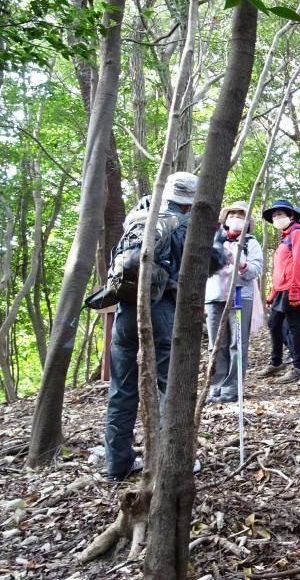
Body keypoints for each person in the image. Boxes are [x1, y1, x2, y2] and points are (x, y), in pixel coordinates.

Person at [105, 172, 195, 481]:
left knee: (122, 388)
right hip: (161, 310)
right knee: (170, 386)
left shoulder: (138, 216)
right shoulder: (181, 224)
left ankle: (116, 463)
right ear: (188, 203)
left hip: (126, 309)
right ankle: (171, 461)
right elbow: (197, 268)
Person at [203, 201, 263, 404]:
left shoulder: (251, 243)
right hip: (214, 297)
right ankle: (216, 384)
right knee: (215, 344)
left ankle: (232, 386)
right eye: (232, 214)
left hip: (239, 295)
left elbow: (255, 270)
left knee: (237, 343)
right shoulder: (213, 240)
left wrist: (239, 262)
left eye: (241, 215)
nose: (236, 217)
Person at [256, 199, 300, 384]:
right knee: (274, 324)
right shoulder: (285, 237)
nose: (277, 218)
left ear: (291, 215)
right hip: (282, 289)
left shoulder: (298, 234)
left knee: (295, 327)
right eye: (274, 215)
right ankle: (276, 362)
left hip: (294, 288)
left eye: (280, 214)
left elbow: (298, 262)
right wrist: (273, 293)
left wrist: (295, 290)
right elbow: (281, 269)